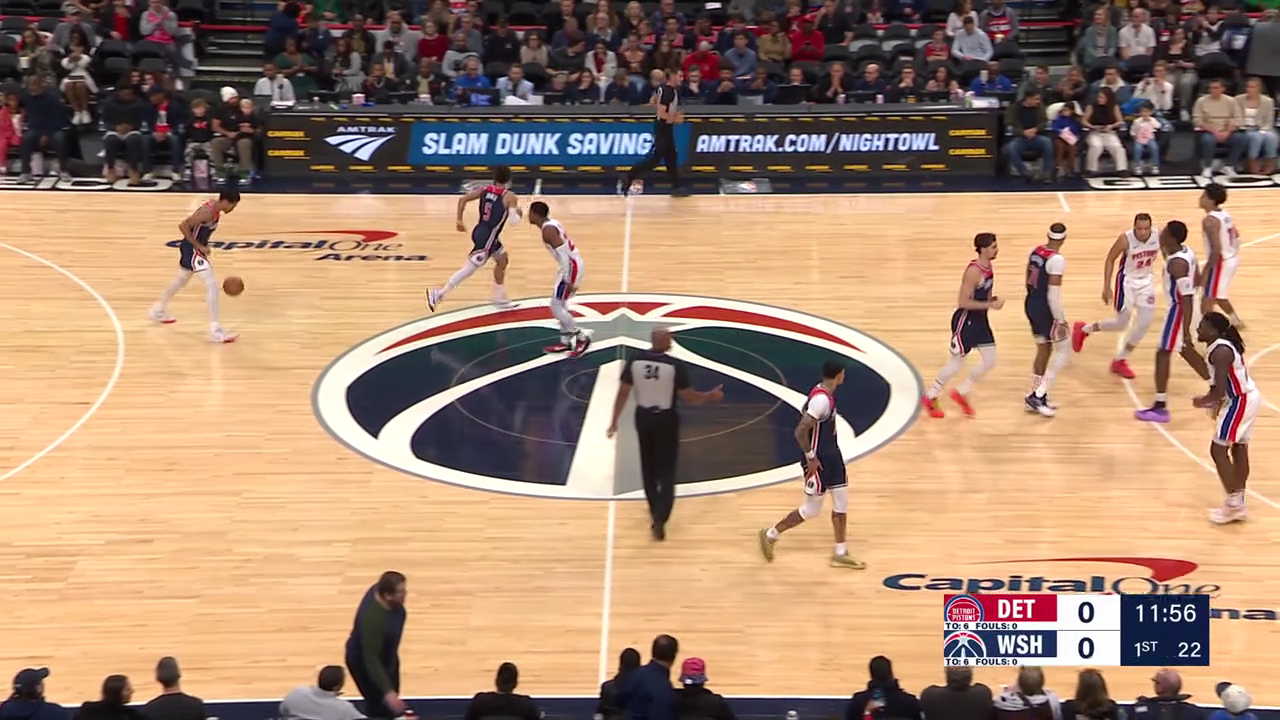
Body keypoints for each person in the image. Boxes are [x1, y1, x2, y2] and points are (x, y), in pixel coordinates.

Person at [606, 328, 724, 540]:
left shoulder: (635, 361)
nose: (671, 341)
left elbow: (623, 392)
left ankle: (655, 510)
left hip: (643, 417)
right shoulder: (674, 366)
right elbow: (689, 397)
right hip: (666, 419)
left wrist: (614, 420)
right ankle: (661, 519)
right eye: (669, 338)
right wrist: (710, 396)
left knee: (648, 467)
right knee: (667, 469)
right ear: (663, 342)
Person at [758, 359, 864, 569]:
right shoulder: (821, 401)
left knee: (841, 503)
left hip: (832, 457)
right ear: (839, 375)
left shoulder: (824, 393)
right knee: (811, 510)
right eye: (843, 373)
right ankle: (770, 535)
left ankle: (840, 552)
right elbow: (800, 431)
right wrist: (811, 457)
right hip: (819, 462)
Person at [1135, 221, 1210, 424]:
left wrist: (1185, 330)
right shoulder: (1186, 251)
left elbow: (1185, 297)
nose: (1161, 233)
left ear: (1171, 238)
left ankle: (1160, 407)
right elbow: (1197, 279)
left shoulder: (1177, 264)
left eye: (1164, 232)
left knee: (1163, 352)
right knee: (1185, 350)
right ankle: (1217, 388)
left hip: (1180, 309)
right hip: (1189, 305)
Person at [921, 233, 1003, 419]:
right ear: (983, 249)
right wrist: (990, 305)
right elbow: (963, 302)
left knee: (990, 360)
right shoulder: (973, 271)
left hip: (980, 320)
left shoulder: (989, 267)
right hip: (965, 322)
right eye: (993, 247)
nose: (996, 250)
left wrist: (991, 300)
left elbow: (983, 295)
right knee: (955, 364)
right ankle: (930, 395)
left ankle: (961, 391)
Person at [1071, 213, 1160, 379]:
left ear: (1151, 227)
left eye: (1146, 228)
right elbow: (1110, 259)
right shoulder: (1125, 239)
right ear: (1134, 227)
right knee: (1121, 324)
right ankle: (1084, 330)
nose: (1142, 232)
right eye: (1139, 229)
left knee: (1145, 323)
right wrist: (1106, 286)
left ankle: (1120, 360)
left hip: (1147, 282)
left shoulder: (1159, 236)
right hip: (1127, 282)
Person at [148, 191, 241, 343]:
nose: (233, 209)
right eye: (233, 205)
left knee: (180, 281)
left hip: (192, 249)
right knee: (212, 286)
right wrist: (198, 245)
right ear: (226, 202)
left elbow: (200, 231)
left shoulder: (215, 210)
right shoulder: (207, 212)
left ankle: (158, 309)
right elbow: (183, 225)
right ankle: (215, 330)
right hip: (192, 250)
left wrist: (203, 244)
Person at [1193, 311, 1258, 525]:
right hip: (1245, 398)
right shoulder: (1219, 347)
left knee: (1218, 450)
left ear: (1214, 330)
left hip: (1239, 400)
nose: (1198, 329)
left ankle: (1234, 504)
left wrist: (1203, 401)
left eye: (1202, 326)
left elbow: (1219, 390)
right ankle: (1238, 499)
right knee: (1239, 448)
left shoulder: (1220, 351)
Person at [427, 166, 520, 313]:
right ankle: (439, 293)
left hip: (480, 230)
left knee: (502, 260)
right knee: (469, 268)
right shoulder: (510, 197)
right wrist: (518, 212)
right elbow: (514, 222)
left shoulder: (485, 190)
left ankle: (499, 298)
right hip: (488, 237)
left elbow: (463, 199)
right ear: (509, 179)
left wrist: (459, 220)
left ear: (494, 178)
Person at [528, 202, 591, 357]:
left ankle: (581, 337)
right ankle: (565, 341)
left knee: (556, 305)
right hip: (570, 265)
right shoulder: (552, 224)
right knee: (560, 304)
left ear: (535, 214)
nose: (528, 216)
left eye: (530, 212)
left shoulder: (548, 231)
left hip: (570, 267)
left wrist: (567, 278)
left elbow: (564, 255)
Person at [344, 571, 408, 719]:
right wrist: (387, 691)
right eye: (401, 591)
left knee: (392, 700)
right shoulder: (373, 620)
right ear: (388, 595)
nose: (406, 594)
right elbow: (371, 658)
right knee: (379, 705)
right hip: (365, 663)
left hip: (386, 655)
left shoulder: (380, 592)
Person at [1023, 223, 1069, 417]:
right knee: (1064, 350)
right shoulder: (1057, 260)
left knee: (1044, 349)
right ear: (1064, 239)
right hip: (1045, 308)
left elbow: (1027, 278)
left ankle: (1035, 393)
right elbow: (1053, 294)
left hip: (1031, 302)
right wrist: (1060, 320)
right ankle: (1038, 395)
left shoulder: (1036, 251)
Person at [623, 68, 686, 197]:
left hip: (664, 127)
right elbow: (662, 114)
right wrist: (675, 119)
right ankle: (630, 176)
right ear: (672, 76)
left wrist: (671, 115)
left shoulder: (662, 88)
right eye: (679, 76)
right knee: (655, 159)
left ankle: (677, 187)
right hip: (663, 127)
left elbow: (653, 101)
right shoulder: (669, 91)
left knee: (671, 157)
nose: (682, 79)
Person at [1200, 183, 1243, 327]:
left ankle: (1209, 329)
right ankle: (1236, 322)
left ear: (1211, 200)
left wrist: (1206, 271)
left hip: (1220, 262)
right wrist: (1232, 253)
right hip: (1230, 259)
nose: (1201, 198)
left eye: (1204, 196)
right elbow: (1237, 237)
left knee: (1207, 299)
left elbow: (1216, 249)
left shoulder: (1209, 221)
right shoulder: (1224, 214)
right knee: (1218, 295)